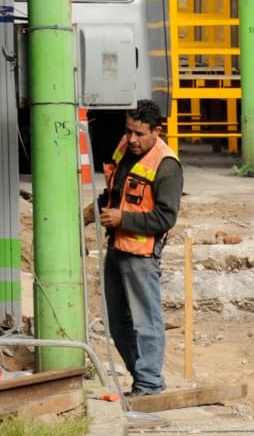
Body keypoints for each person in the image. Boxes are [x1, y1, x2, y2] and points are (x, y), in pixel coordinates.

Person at [83, 99, 183, 397]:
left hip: (141, 255)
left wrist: (121, 218)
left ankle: (149, 383)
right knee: (116, 321)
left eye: (139, 133)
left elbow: (166, 217)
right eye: (129, 131)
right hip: (117, 247)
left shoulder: (166, 166)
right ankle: (142, 378)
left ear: (157, 131)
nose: (132, 139)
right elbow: (116, 190)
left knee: (145, 321)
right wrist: (96, 211)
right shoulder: (125, 149)